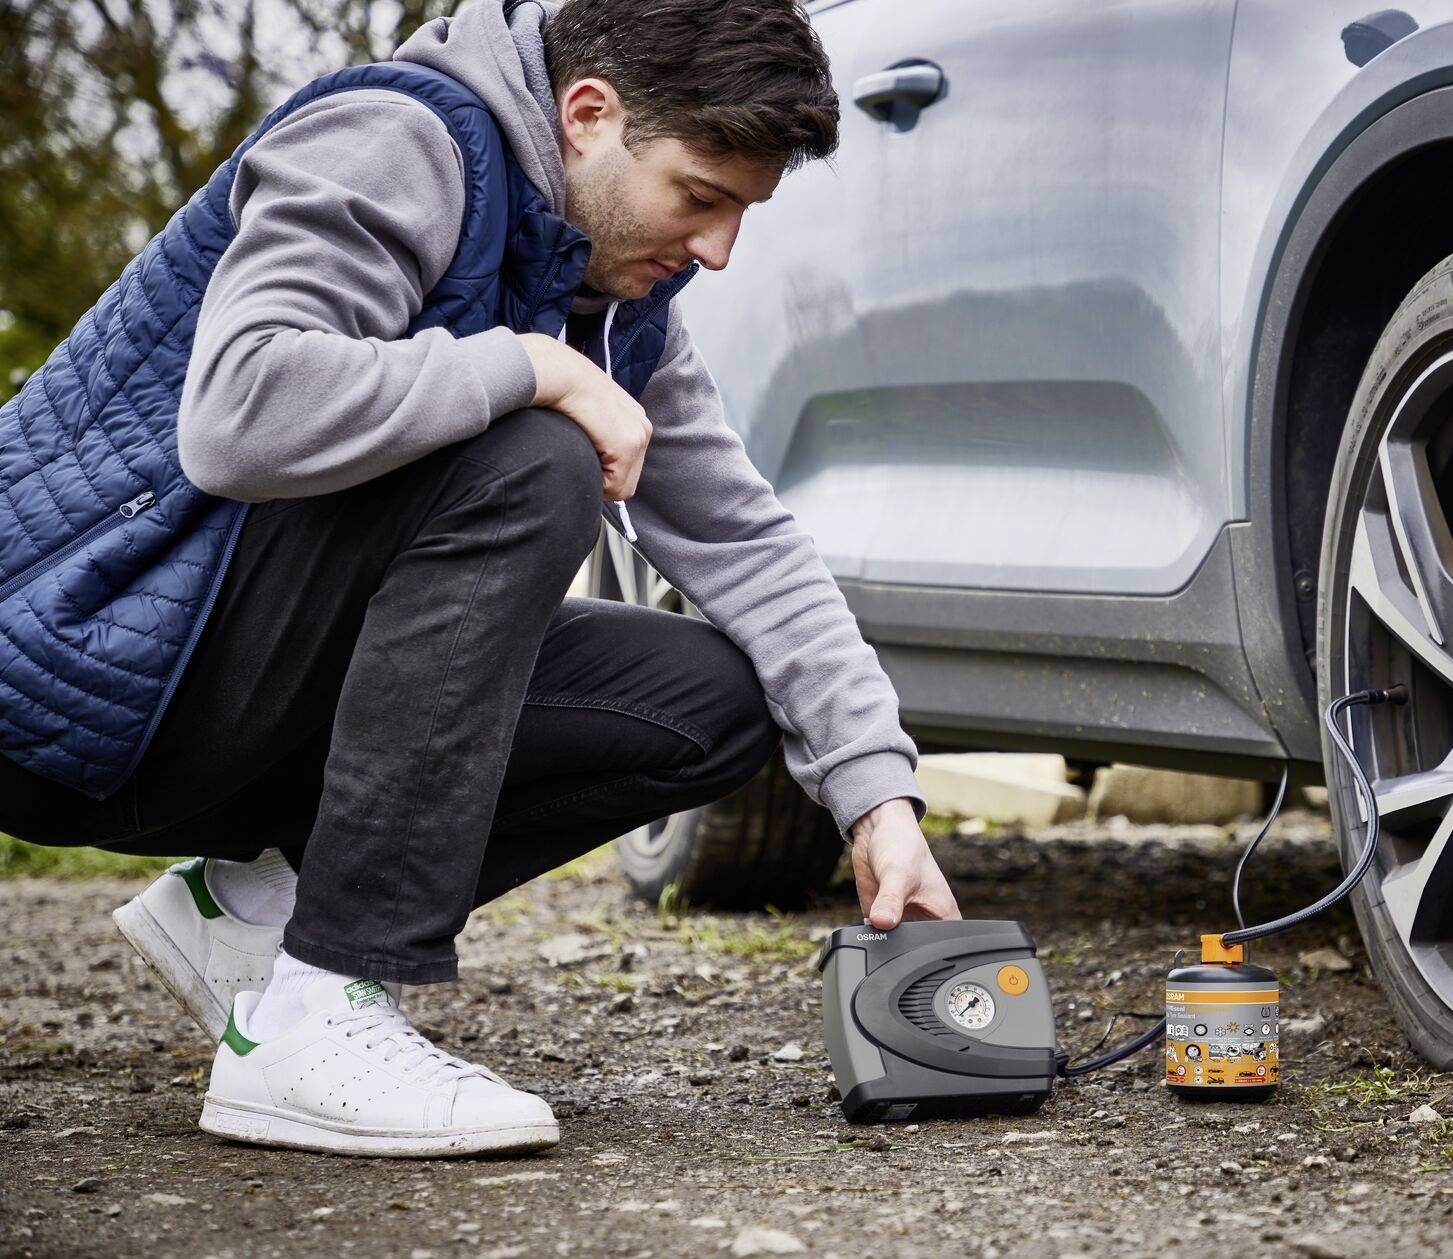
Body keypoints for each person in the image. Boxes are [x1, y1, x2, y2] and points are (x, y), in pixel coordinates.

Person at [0, 0, 960, 1158]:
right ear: (589, 114)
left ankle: (247, 912)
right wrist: (530, 366)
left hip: (232, 710)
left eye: (743, 215)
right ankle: (322, 1014)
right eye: (700, 198)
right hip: (81, 670)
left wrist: (878, 797)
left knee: (709, 700)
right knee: (534, 459)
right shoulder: (395, 138)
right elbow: (240, 414)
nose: (717, 252)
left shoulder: (615, 300)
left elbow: (747, 543)